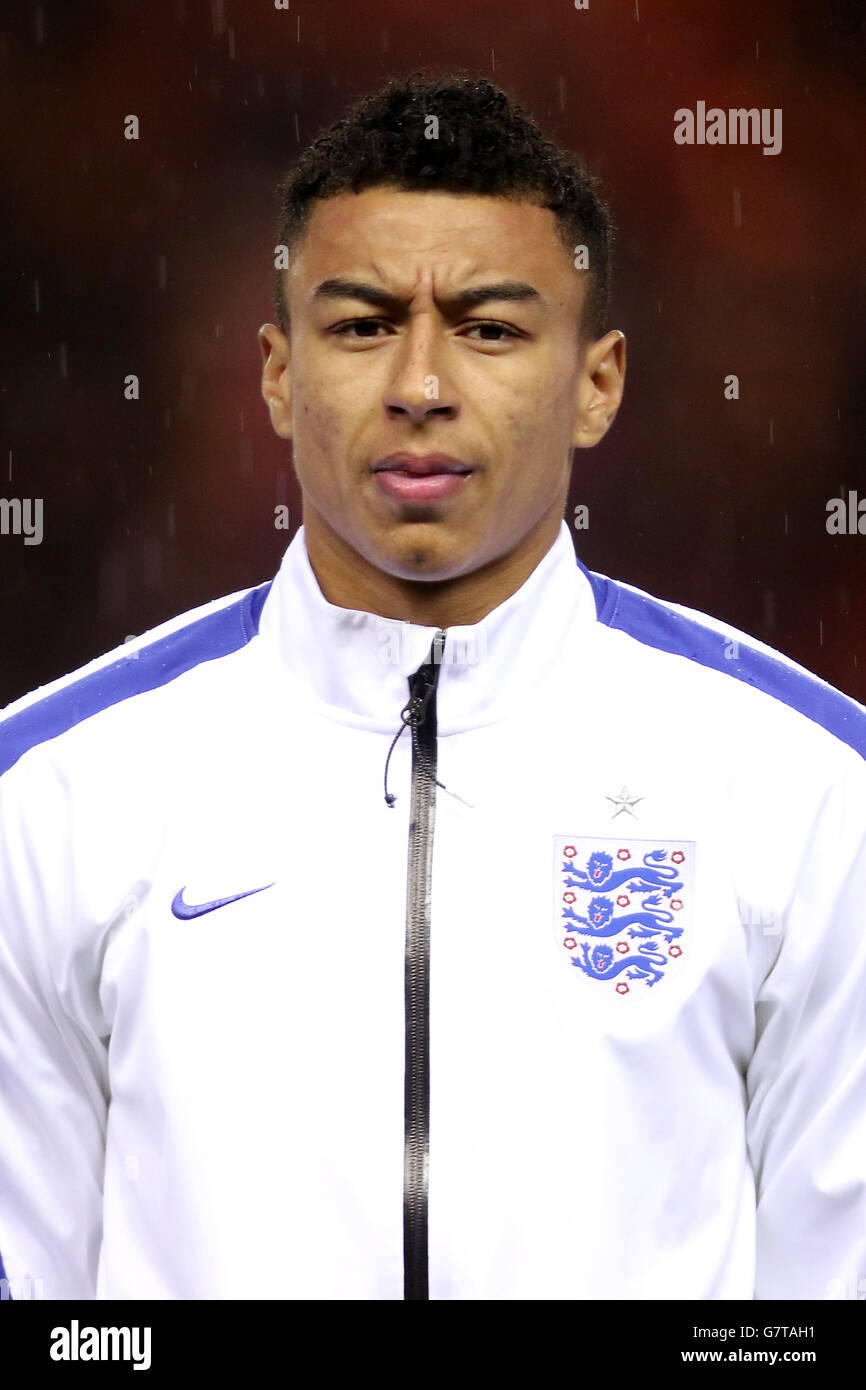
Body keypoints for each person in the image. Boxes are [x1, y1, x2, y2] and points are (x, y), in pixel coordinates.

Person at [1, 71, 864, 1303]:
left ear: (598, 382)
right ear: (277, 373)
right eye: (358, 325)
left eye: (490, 327)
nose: (419, 383)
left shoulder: (810, 792)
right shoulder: (51, 793)